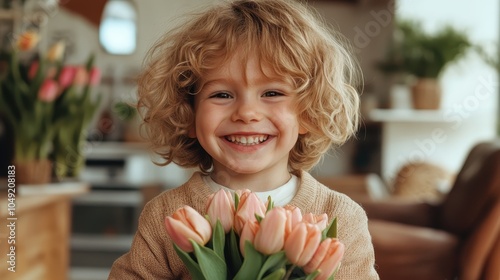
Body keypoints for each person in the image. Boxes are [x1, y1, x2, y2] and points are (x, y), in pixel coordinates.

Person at [109, 0, 379, 279]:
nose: (247, 113)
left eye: (272, 93)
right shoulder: (166, 215)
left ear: (307, 113)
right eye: (222, 95)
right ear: (189, 114)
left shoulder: (341, 217)